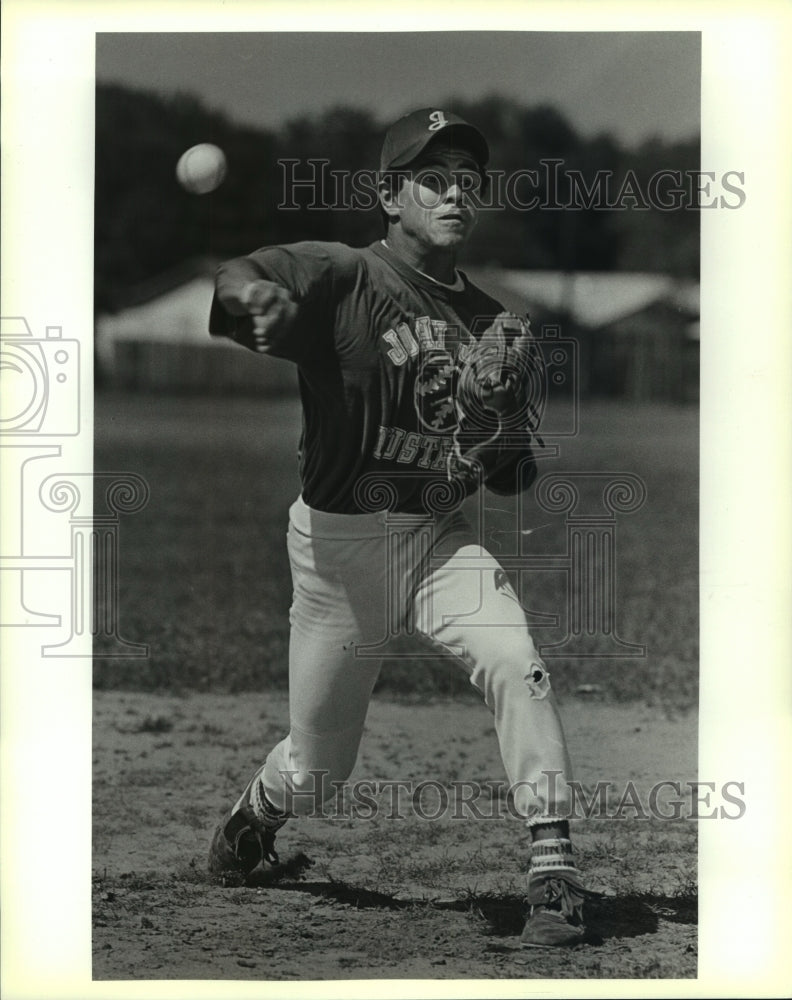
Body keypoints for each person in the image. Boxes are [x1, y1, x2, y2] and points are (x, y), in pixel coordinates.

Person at [207, 108, 599, 948]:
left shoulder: (491, 320)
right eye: (433, 177)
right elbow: (243, 276)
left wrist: (498, 423)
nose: (456, 190)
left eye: (468, 179)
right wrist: (254, 304)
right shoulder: (344, 276)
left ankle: (553, 866)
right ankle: (256, 813)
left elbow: (518, 476)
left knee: (517, 663)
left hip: (434, 540)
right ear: (390, 194)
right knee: (320, 772)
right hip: (336, 556)